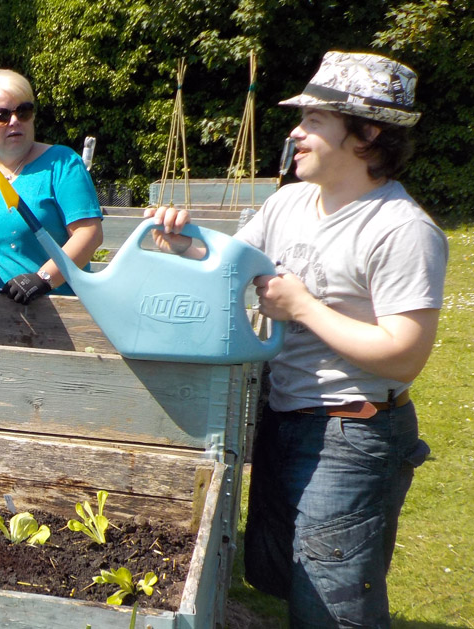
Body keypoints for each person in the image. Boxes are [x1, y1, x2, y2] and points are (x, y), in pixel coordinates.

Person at [150, 51, 447, 627]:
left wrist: (303, 307)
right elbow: (233, 264)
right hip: (284, 416)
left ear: (367, 132)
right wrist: (183, 244)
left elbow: (405, 355)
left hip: (352, 430)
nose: (296, 131)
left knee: (333, 601)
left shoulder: (402, 230)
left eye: (313, 119)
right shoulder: (289, 201)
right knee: (286, 572)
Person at [0, 69, 103, 304]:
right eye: (1, 115)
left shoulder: (63, 163)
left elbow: (89, 234)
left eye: (23, 111)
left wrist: (44, 278)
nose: (14, 121)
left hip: (58, 313)